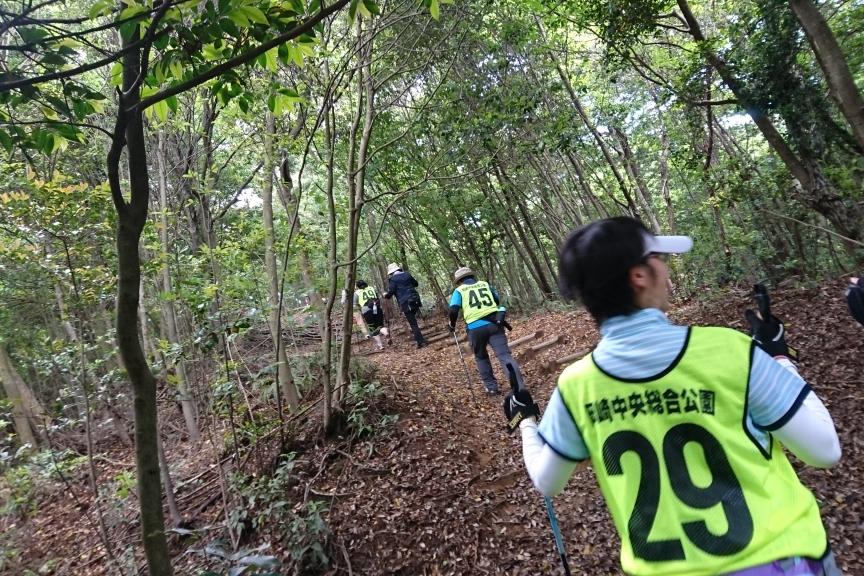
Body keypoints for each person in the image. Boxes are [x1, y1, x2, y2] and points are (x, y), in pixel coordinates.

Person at [504, 217, 842, 576]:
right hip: (776, 560)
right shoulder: (729, 351)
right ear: (639, 276)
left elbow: (547, 480)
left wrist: (527, 421)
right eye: (659, 260)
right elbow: (824, 450)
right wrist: (779, 358)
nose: (666, 270)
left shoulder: (576, 386)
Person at [448, 266, 524, 395]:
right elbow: (496, 299)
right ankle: (519, 387)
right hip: (495, 324)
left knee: (481, 357)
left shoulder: (459, 290)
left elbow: (453, 309)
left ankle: (491, 388)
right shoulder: (484, 284)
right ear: (472, 276)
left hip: (475, 328)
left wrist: (452, 325)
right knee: (505, 355)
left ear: (459, 280)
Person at [383, 263, 427, 348]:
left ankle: (420, 342)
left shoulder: (393, 279)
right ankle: (420, 339)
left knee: (413, 324)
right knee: (414, 321)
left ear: (391, 272)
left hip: (406, 302)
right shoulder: (407, 274)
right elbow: (415, 284)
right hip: (415, 299)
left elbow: (390, 293)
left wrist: (385, 295)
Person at [354, 279, 386, 351]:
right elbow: (378, 297)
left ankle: (380, 345)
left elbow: (354, 305)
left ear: (357, 286)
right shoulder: (372, 288)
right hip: (377, 308)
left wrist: (359, 309)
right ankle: (386, 334)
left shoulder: (357, 293)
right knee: (381, 325)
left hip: (367, 311)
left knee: (373, 328)